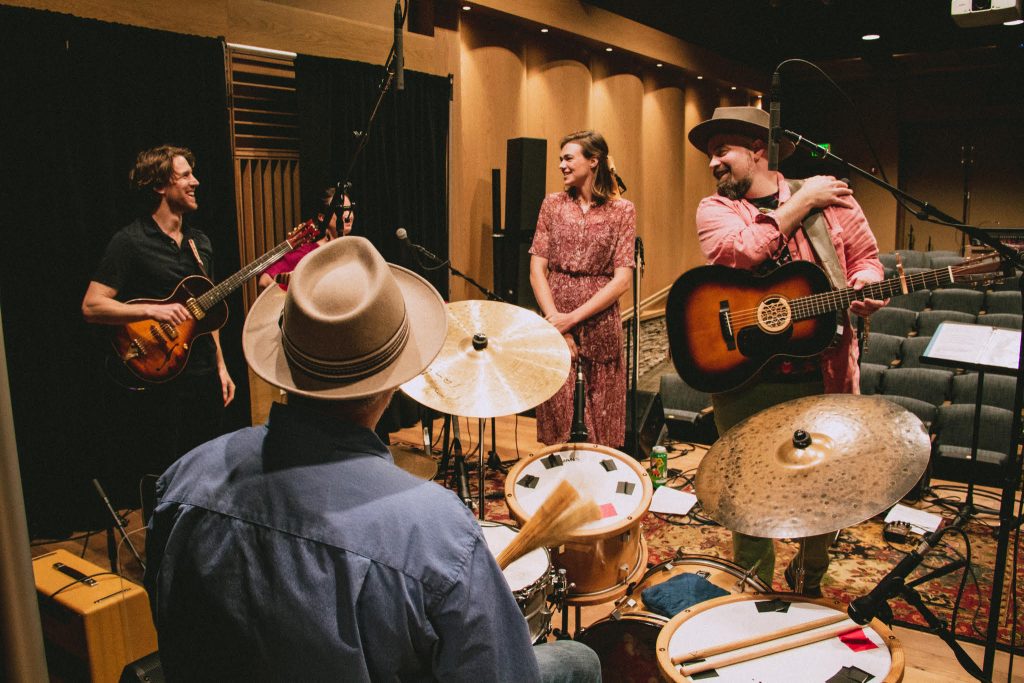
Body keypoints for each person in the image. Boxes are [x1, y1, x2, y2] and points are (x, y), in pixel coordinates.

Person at [144, 236, 602, 682]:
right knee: (579, 660)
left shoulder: (183, 480)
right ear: (393, 380)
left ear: (284, 357)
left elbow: (176, 637)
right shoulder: (438, 533)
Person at [687, 106, 887, 597]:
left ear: (758, 151)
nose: (713, 164)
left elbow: (868, 261)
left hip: (822, 369)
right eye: (710, 155)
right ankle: (752, 585)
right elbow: (738, 254)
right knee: (745, 487)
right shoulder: (715, 210)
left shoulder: (832, 199)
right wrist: (800, 202)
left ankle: (809, 578)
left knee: (823, 487)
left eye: (722, 152)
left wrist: (864, 285)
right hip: (744, 375)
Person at [82, 145, 235, 508]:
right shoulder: (131, 242)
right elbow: (92, 306)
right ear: (159, 186)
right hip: (160, 377)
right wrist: (153, 311)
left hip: (201, 374)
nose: (195, 182)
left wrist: (221, 366)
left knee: (210, 470)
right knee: (165, 474)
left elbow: (207, 313)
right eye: (184, 176)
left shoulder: (202, 243)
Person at [530, 130, 635, 448]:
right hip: (555, 318)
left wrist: (571, 319)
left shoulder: (623, 211)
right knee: (559, 415)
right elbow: (537, 269)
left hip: (600, 322)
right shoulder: (552, 204)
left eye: (568, 158)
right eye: (559, 159)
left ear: (594, 161)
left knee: (601, 420)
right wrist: (555, 322)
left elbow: (622, 280)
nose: (561, 165)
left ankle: (599, 489)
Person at [257, 186, 354, 291]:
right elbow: (265, 280)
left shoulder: (357, 249)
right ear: (322, 217)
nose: (347, 215)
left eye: (349, 209)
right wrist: (292, 302)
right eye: (340, 210)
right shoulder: (307, 252)